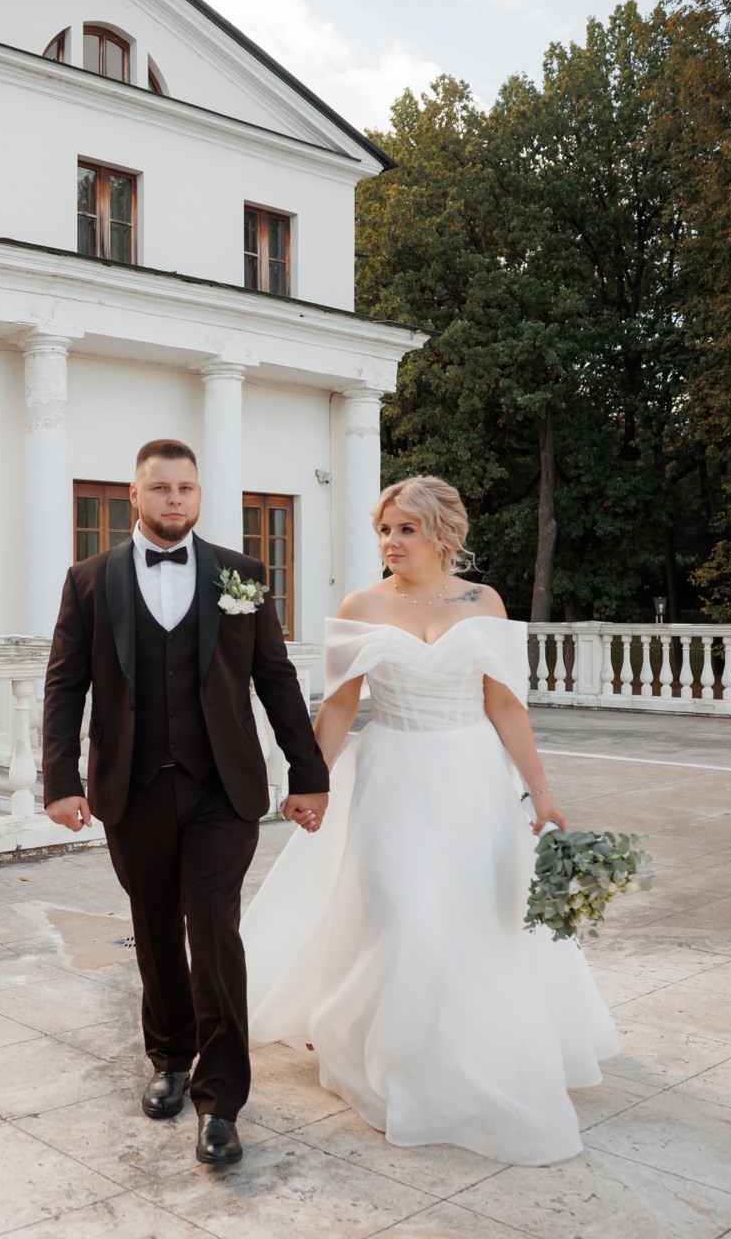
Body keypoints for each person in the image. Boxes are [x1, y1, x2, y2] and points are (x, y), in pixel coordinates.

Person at [241, 475, 618, 1166]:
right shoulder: (361, 605)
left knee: (473, 920)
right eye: (384, 529)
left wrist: (541, 792)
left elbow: (504, 704)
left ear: (443, 534)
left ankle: (466, 1051)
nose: (390, 542)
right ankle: (398, 1064)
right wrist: (310, 783)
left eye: (405, 529)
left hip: (472, 779)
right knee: (401, 913)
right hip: (391, 776)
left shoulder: (485, 602)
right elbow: (340, 705)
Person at [42, 439, 331, 1165]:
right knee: (154, 927)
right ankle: (169, 1058)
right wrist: (60, 780)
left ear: (199, 495)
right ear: (134, 496)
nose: (175, 499)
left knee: (213, 927)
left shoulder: (243, 575)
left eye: (186, 488)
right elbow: (65, 684)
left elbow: (275, 677)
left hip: (220, 787)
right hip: (131, 786)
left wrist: (309, 772)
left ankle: (221, 1099)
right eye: (161, 488)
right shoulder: (89, 580)